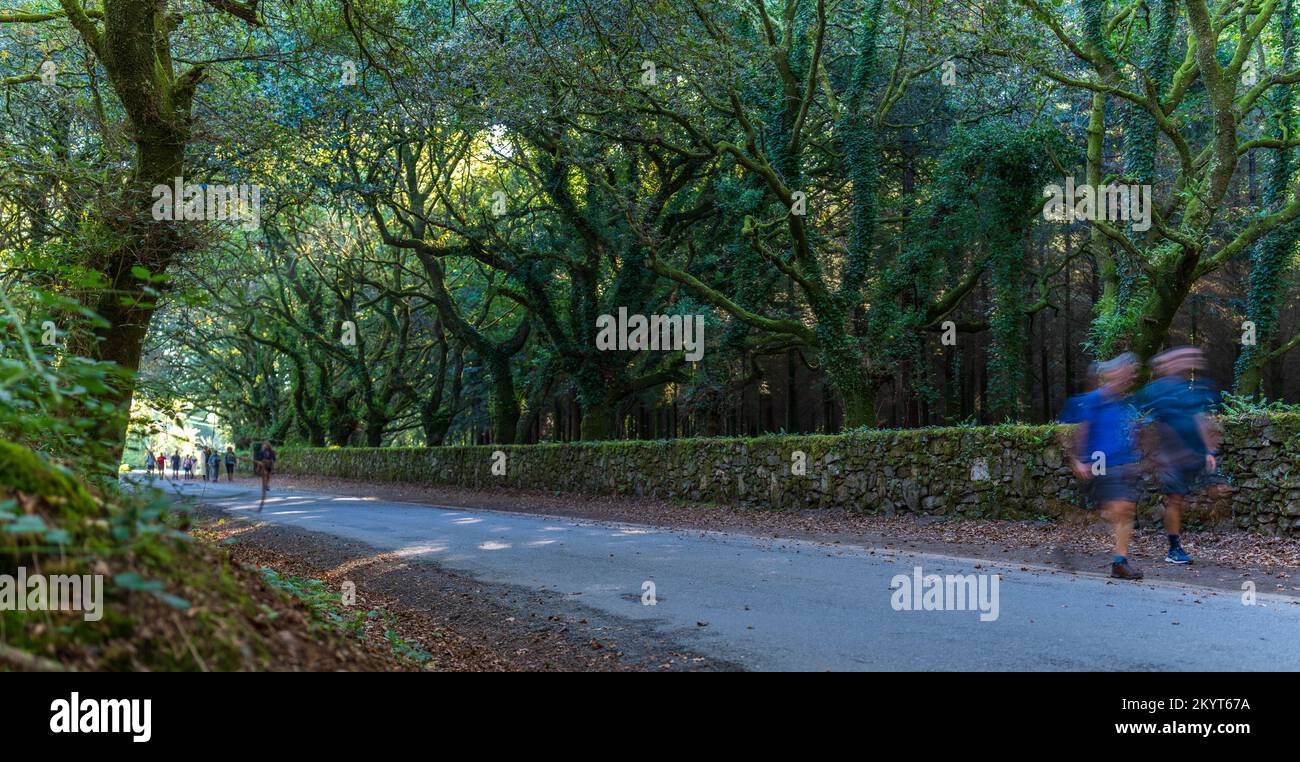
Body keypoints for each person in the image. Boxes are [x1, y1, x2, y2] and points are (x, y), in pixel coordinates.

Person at [1060, 353, 1144, 580]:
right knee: (1121, 509)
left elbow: (1128, 432)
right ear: (1111, 374)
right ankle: (1115, 558)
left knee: (1122, 511)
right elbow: (1074, 430)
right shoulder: (1093, 400)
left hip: (1119, 464)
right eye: (1125, 371)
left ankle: (1118, 561)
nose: (1129, 376)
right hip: (1098, 463)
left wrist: (1134, 458)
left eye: (1131, 372)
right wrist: (1077, 460)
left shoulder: (1124, 402)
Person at [1136, 347, 1220, 565]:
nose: (1188, 362)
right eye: (1181, 359)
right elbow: (1144, 425)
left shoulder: (1193, 390)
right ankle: (1174, 549)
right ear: (1166, 365)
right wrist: (1152, 458)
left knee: (1219, 492)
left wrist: (1209, 450)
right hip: (1171, 457)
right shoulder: (1156, 390)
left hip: (1195, 454)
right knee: (1176, 500)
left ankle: (1209, 539)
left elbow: (1201, 419)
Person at [253, 442, 276, 507]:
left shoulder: (272, 451)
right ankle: (265, 485)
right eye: (265, 446)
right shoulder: (261, 452)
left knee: (268, 475)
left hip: (269, 465)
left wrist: (272, 461)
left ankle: (267, 485)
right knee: (265, 474)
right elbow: (259, 459)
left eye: (267, 446)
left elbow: (274, 458)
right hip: (263, 464)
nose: (266, 447)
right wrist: (259, 465)